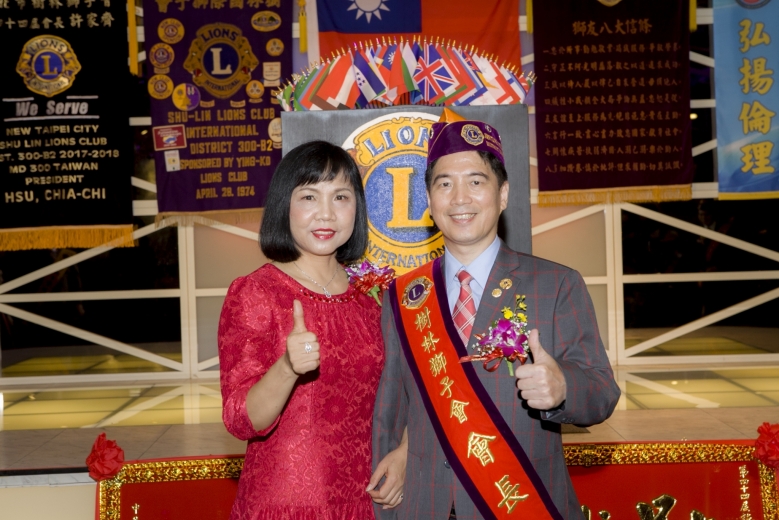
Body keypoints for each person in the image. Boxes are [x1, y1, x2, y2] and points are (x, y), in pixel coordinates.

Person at [369, 111, 620, 519]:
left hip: (518, 503)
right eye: (444, 184)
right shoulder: (403, 296)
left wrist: (563, 387)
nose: (459, 198)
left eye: (475, 182)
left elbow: (602, 391)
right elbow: (391, 408)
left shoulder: (556, 284)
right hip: (426, 505)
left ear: (502, 195)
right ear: (429, 201)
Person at [219, 140, 384, 520]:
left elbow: (402, 396)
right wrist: (287, 368)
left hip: (368, 502)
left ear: (357, 208)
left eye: (340, 197)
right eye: (309, 197)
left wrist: (404, 454)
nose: (326, 214)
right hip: (287, 504)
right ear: (285, 206)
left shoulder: (372, 296)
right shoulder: (257, 293)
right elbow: (241, 420)